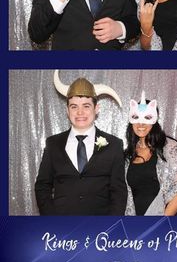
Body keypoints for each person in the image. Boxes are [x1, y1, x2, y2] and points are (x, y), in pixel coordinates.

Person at [35, 73, 127, 216]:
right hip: (62, 228)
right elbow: (42, 186)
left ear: (96, 109)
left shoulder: (114, 145)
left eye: (86, 106)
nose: (80, 112)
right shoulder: (53, 144)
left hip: (100, 229)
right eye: (74, 106)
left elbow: (119, 192)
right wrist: (51, 220)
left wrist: (110, 227)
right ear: (67, 110)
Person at [125, 92, 177, 216]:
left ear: (155, 120)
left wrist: (159, 225)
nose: (141, 124)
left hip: (163, 224)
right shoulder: (128, 156)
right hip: (135, 225)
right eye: (136, 118)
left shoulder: (169, 147)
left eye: (147, 118)